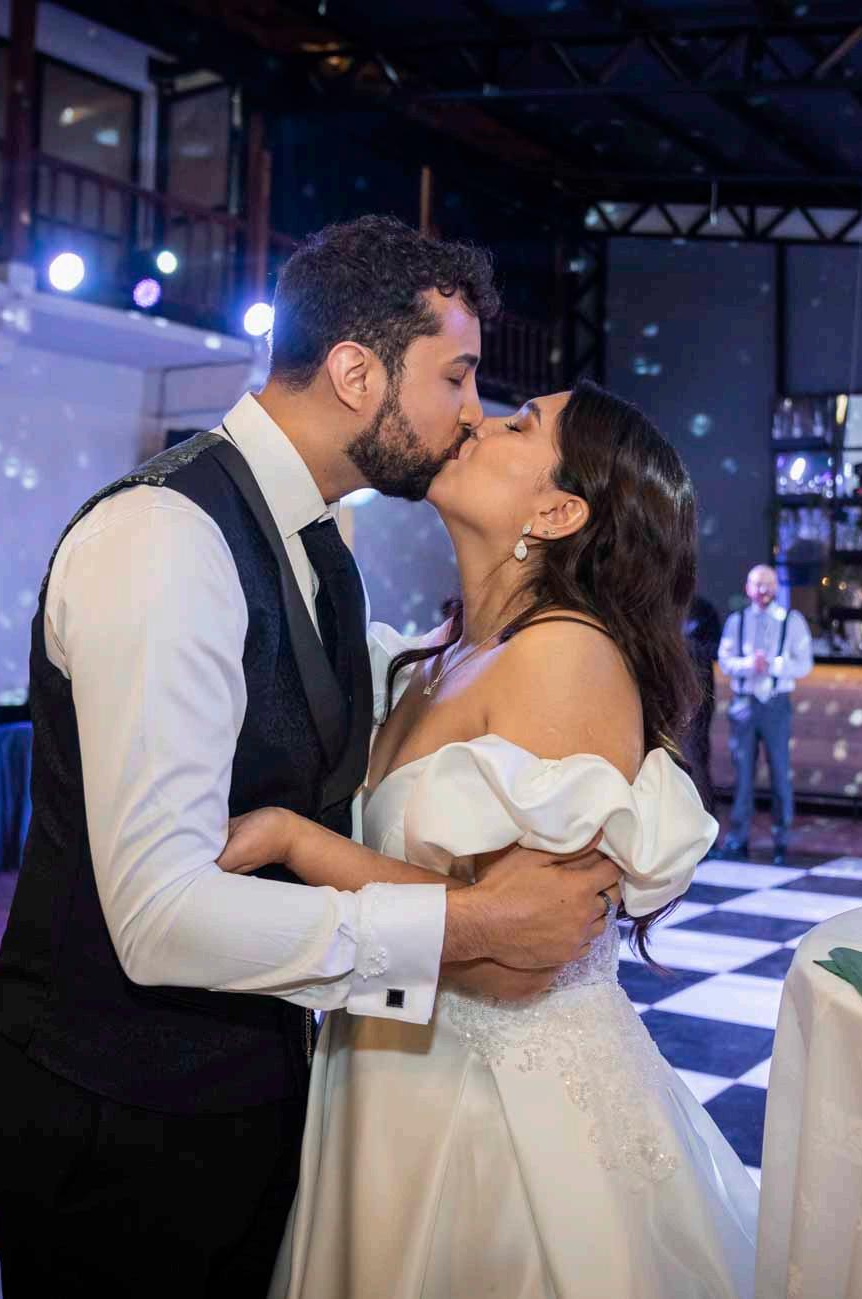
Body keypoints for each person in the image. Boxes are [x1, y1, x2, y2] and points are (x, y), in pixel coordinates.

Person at [0, 216, 621, 1299]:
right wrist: (476, 925)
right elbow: (162, 916)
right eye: (456, 376)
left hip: (239, 1098)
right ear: (358, 373)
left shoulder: (318, 545)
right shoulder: (165, 538)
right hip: (114, 1120)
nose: (472, 412)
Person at [217, 382, 756, 1299]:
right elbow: (475, 913)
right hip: (390, 1065)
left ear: (558, 511)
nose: (475, 418)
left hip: (493, 1112)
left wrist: (298, 844)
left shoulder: (568, 653)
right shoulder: (442, 654)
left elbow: (516, 962)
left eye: (518, 424)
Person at [716, 564, 814, 865]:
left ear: (776, 588)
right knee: (742, 775)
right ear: (748, 588)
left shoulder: (791, 621)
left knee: (780, 773)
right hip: (744, 704)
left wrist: (774, 665)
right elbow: (725, 661)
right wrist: (749, 664)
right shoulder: (737, 621)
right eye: (758, 585)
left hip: (775, 703)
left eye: (768, 584)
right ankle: (738, 838)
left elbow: (804, 664)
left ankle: (782, 840)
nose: (763, 590)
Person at [683, 594, 723, 812]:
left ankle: (705, 818)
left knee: (696, 757)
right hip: (669, 693)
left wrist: (686, 647)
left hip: (698, 696)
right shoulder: (661, 605)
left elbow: (716, 648)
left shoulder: (703, 610)